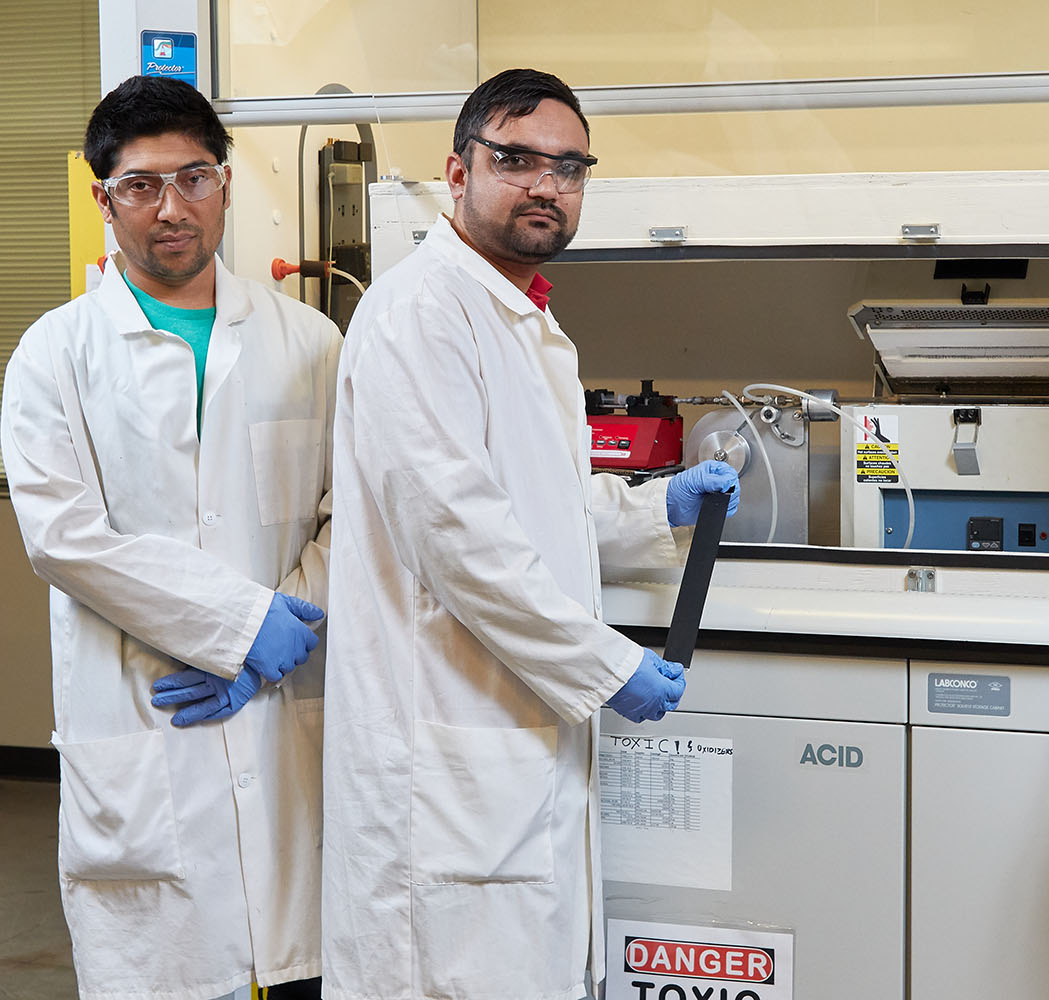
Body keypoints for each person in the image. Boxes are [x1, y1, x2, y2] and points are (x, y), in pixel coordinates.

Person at [320, 67, 739, 1000]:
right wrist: (605, 664)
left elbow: (532, 503)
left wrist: (653, 506)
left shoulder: (524, 318)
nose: (546, 184)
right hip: (443, 760)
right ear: (457, 171)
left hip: (507, 753)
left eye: (569, 167)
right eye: (516, 159)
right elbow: (460, 540)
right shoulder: (420, 313)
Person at [0, 75, 339, 999]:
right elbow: (65, 538)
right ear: (103, 197)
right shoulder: (54, 353)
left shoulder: (310, 343)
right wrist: (234, 628)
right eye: (141, 185)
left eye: (193, 177)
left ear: (226, 183)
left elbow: (347, 513)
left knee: (303, 961)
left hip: (280, 721)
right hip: (148, 726)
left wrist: (279, 632)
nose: (172, 208)